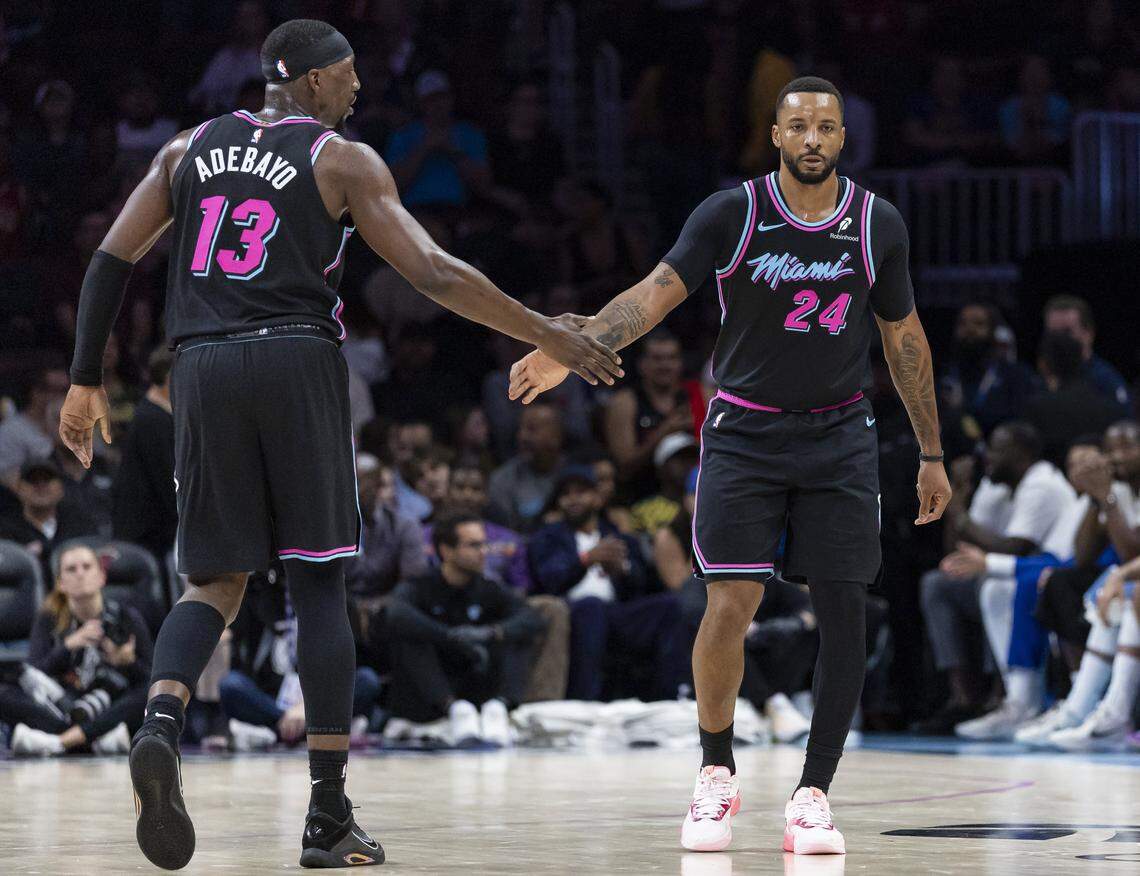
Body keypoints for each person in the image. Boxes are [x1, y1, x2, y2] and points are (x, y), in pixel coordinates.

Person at [56, 18, 620, 871]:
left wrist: (85, 378)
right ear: (312, 81)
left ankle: (160, 725)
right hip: (295, 358)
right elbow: (431, 272)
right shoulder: (341, 158)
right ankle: (326, 813)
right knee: (319, 582)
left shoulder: (184, 151)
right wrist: (547, 333)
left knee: (214, 580)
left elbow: (108, 258)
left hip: (200, 367)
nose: (359, 89)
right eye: (349, 75)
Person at [509, 76, 951, 855]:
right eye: (798, 127)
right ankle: (716, 771)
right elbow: (651, 297)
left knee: (845, 609)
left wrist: (933, 452)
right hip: (744, 433)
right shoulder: (732, 213)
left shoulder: (877, 223)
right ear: (776, 137)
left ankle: (814, 792)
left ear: (842, 138)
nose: (812, 138)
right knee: (730, 604)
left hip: (839, 434)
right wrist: (570, 348)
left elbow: (905, 341)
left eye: (826, 127)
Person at [922, 423, 1073, 737]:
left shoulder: (1041, 483)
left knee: (995, 586)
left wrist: (959, 514)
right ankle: (965, 696)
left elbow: (1017, 547)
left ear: (1023, 455)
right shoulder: (996, 484)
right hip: (1023, 575)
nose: (987, 457)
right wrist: (959, 496)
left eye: (997, 449)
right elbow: (956, 551)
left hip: (1047, 574)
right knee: (938, 583)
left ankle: (1011, 699)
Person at [528, 465, 687, 703]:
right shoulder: (548, 537)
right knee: (592, 607)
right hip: (571, 610)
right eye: (566, 494)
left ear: (597, 497)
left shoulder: (616, 536)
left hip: (615, 612)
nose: (573, 500)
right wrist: (585, 561)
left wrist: (622, 571)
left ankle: (670, 697)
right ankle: (585, 700)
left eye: (581, 492)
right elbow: (550, 580)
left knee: (669, 606)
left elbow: (641, 585)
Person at [384, 514, 545, 746]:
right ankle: (454, 708)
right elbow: (395, 613)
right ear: (446, 550)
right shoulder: (421, 586)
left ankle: (500, 706)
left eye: (484, 544)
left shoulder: (488, 588)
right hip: (433, 689)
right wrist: (450, 637)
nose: (484, 551)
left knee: (518, 633)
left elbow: (531, 617)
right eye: (474, 545)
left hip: (475, 678)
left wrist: (491, 632)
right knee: (409, 635)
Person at [3, 543, 152, 757]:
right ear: (61, 583)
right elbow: (33, 675)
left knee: (148, 693)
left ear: (102, 577)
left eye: (87, 567)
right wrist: (67, 647)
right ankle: (97, 740)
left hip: (110, 701)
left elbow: (151, 677)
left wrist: (126, 662)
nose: (80, 574)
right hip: (62, 703)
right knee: (6, 693)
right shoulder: (49, 619)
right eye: (71, 569)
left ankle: (60, 742)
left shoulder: (126, 617)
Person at [603, 328, 706, 503]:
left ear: (681, 362)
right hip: (641, 499)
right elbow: (624, 467)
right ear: (642, 364)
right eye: (657, 359)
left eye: (671, 358)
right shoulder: (625, 402)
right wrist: (665, 431)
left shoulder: (700, 395)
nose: (665, 366)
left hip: (696, 497)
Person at [111, 347, 177, 565]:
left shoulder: (159, 415)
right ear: (170, 376)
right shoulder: (151, 419)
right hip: (147, 538)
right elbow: (167, 481)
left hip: (159, 534)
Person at [0, 459, 98, 581]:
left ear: (61, 489)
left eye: (48, 479)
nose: (41, 486)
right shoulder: (4, 530)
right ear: (19, 489)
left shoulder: (81, 524)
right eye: (32, 480)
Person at [1042, 295, 1131, 414]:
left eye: (1067, 332)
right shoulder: (1039, 382)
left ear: (1089, 334)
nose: (1059, 340)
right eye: (1053, 333)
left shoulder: (1106, 383)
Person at [487, 403, 567, 532]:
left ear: (556, 436)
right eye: (520, 429)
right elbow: (504, 537)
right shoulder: (502, 480)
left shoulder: (574, 472)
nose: (522, 436)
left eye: (531, 429)